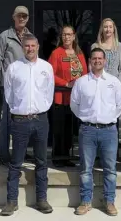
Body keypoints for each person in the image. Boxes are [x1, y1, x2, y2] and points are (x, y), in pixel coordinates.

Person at [0, 33, 54, 216]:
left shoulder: (46, 67)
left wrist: (41, 109)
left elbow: (49, 92)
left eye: (33, 45)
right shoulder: (14, 68)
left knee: (41, 162)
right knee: (16, 163)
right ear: (22, 47)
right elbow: (9, 94)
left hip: (40, 120)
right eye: (26, 46)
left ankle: (42, 199)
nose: (30, 49)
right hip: (20, 121)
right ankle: (11, 201)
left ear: (38, 46)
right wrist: (19, 110)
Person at [70, 48, 121, 216]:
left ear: (105, 61)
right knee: (86, 169)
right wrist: (86, 118)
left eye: (100, 58)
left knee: (110, 169)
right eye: (94, 58)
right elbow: (74, 104)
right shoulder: (81, 82)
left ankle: (109, 202)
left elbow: (119, 105)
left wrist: (108, 119)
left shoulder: (114, 82)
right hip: (87, 130)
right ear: (90, 60)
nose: (97, 61)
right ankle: (85, 201)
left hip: (109, 131)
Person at [0, 5, 31, 166]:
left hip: (25, 88)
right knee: (7, 122)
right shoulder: (5, 36)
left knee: (23, 122)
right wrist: (4, 81)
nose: (22, 18)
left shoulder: (31, 37)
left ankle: (21, 152)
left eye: (25, 16)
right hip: (10, 88)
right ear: (13, 17)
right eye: (19, 16)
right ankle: (4, 155)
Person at [48, 25, 88, 167]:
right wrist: (65, 84)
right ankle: (58, 158)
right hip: (61, 97)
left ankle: (66, 156)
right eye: (64, 35)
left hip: (75, 98)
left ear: (74, 36)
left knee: (69, 129)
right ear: (61, 37)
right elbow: (50, 74)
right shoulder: (56, 53)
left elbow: (84, 72)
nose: (67, 37)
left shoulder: (79, 53)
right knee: (59, 129)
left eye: (69, 34)